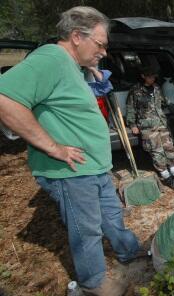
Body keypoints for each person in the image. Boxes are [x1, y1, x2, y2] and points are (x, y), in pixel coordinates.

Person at [0, 6, 143, 296]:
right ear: (77, 36)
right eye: (100, 44)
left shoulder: (72, 66)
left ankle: (129, 251)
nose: (104, 51)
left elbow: (65, 105)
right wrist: (53, 148)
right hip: (73, 171)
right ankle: (93, 283)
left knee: (111, 214)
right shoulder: (50, 58)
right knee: (87, 229)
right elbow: (6, 99)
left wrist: (92, 81)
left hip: (95, 166)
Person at [126, 65, 174, 190]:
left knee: (169, 148)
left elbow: (163, 102)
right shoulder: (135, 91)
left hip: (161, 123)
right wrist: (132, 125)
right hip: (147, 127)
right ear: (143, 76)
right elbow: (130, 108)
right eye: (150, 76)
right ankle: (166, 177)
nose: (152, 79)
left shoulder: (157, 88)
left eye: (154, 76)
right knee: (157, 152)